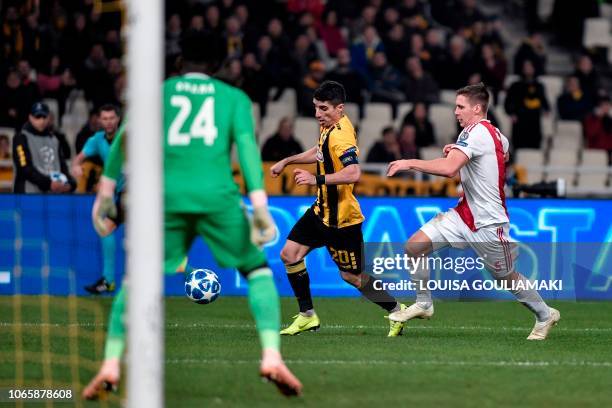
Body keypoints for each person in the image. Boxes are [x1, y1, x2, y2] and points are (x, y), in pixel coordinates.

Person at [82, 34, 302, 400]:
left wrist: (105, 192)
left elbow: (124, 137)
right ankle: (271, 356)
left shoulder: (158, 92)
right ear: (217, 66)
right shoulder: (234, 99)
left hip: (166, 199)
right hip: (218, 198)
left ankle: (110, 364)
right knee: (257, 271)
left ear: (180, 62)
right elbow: (247, 149)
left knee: (137, 280)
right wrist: (260, 205)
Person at [386, 83, 560, 340]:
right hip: (463, 215)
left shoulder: (475, 132)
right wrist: (458, 154)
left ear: (477, 108)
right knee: (414, 247)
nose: (455, 112)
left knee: (505, 277)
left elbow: (448, 170)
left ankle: (545, 315)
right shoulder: (497, 134)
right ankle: (424, 303)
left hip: (489, 223)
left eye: (460, 106)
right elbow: (497, 158)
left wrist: (408, 162)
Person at [269, 80, 407, 337]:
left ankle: (398, 310)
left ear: (339, 108)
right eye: (316, 108)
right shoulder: (330, 127)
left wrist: (315, 179)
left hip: (342, 221)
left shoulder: (341, 135)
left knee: (352, 277)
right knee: (289, 254)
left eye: (323, 109)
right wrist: (287, 160)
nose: (317, 114)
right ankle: (307, 315)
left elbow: (354, 172)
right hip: (321, 210)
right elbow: (320, 151)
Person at [71, 104, 123, 294]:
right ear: (99, 121)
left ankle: (109, 280)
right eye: (105, 118)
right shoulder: (96, 140)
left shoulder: (127, 136)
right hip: (119, 195)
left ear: (118, 119)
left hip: (135, 194)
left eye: (112, 118)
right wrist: (76, 166)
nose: (108, 122)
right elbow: (78, 159)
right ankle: (108, 281)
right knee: (105, 229)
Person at [13, 102, 76, 193]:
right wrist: (48, 183)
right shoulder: (21, 138)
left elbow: (63, 167)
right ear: (30, 117)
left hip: (52, 195)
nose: (41, 121)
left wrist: (70, 184)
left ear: (48, 118)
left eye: (44, 117)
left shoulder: (54, 140)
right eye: (37, 117)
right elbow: (24, 168)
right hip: (28, 194)